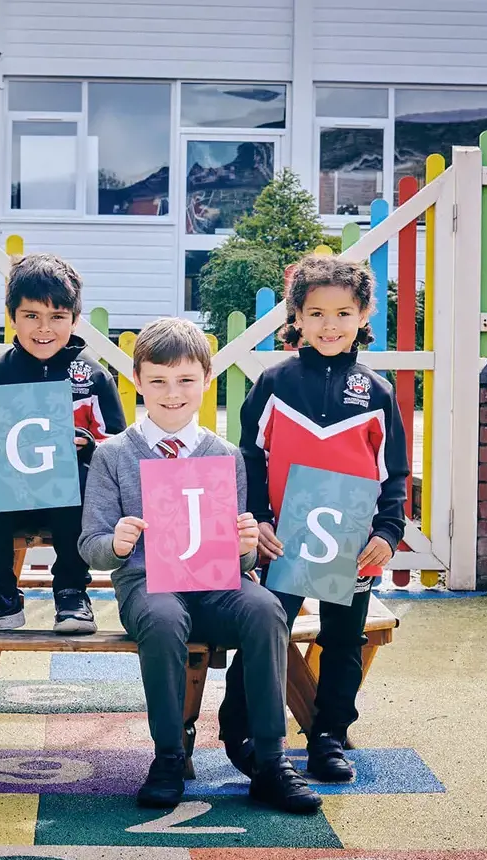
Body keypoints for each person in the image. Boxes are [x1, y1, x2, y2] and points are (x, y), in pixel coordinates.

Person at [78, 317, 322, 814]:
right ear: (137, 380)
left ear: (206, 381)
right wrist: (118, 544)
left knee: (265, 608)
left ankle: (270, 760)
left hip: (216, 584)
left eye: (186, 380)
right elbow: (91, 543)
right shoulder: (113, 454)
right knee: (165, 619)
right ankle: (169, 755)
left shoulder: (224, 455)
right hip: (149, 586)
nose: (172, 393)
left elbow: (241, 555)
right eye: (158, 381)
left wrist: (246, 547)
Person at [220, 255, 411, 783]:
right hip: (283, 540)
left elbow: (393, 473)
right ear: (296, 317)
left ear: (363, 315)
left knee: (343, 640)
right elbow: (249, 458)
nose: (331, 325)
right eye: (317, 313)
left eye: (344, 313)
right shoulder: (275, 383)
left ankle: (328, 736)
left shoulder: (377, 391)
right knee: (266, 631)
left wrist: (388, 534)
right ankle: (238, 728)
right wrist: (257, 519)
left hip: (350, 543)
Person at [0, 254, 127, 635]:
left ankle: (72, 591)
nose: (44, 328)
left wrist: (87, 446)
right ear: (12, 316)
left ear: (75, 319)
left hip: (72, 509)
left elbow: (118, 452)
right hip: (8, 508)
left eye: (57, 317)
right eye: (31, 316)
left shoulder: (93, 378)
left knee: (82, 470)